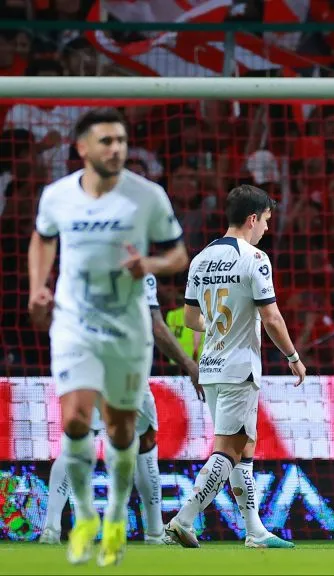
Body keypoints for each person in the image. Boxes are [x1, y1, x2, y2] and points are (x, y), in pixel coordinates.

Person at [28, 107, 189, 566]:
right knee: (75, 420)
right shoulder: (57, 196)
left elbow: (178, 254)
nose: (116, 148)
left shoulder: (147, 196)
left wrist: (149, 264)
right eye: (106, 141)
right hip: (74, 324)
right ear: (82, 148)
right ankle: (84, 517)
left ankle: (116, 515)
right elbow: (43, 238)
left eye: (121, 140)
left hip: (128, 328)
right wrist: (38, 287)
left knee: (121, 430)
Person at [164, 184, 304, 550]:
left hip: (210, 365)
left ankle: (255, 530)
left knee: (245, 448)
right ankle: (184, 519)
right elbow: (272, 317)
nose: (267, 229)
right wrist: (292, 357)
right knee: (228, 448)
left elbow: (191, 319)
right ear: (252, 219)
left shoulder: (200, 258)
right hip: (239, 368)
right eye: (266, 221)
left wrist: (218, 325)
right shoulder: (255, 258)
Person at [40, 274, 201, 546]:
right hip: (123, 365)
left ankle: (50, 529)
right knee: (145, 440)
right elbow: (156, 326)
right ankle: (154, 533)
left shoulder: (81, 265)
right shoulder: (138, 272)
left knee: (78, 440)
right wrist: (188, 364)